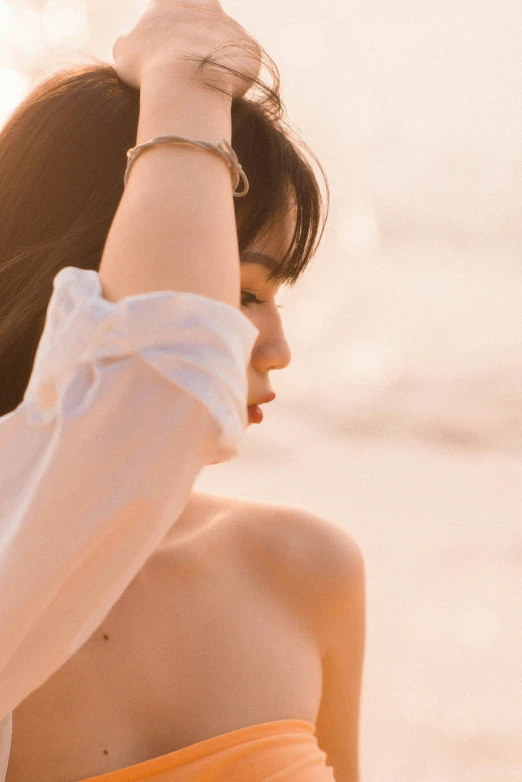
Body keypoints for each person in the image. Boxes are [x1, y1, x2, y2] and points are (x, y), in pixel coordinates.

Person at [0, 1, 365, 780]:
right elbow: (162, 368)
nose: (275, 349)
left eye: (273, 296)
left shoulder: (304, 568)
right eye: (237, 297)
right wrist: (189, 78)